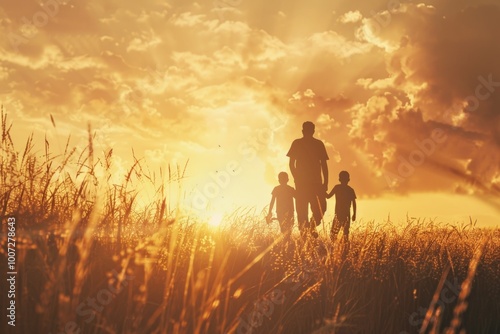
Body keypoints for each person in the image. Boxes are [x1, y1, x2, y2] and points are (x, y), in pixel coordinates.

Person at [287, 121, 329, 238]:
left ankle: (310, 227)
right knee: (302, 211)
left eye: (310, 130)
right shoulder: (297, 143)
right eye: (307, 130)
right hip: (302, 184)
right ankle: (304, 238)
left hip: (316, 183)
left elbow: (324, 165)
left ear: (313, 131)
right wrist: (296, 178)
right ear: (303, 131)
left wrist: (325, 183)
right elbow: (291, 164)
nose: (309, 132)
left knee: (321, 208)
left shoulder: (319, 144)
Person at [326, 170, 357, 255]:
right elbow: (354, 203)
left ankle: (334, 249)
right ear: (349, 179)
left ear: (339, 179)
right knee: (345, 233)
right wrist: (354, 214)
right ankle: (344, 250)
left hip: (339, 214)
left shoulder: (337, 187)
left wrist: (321, 191)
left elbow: (328, 196)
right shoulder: (350, 189)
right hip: (346, 214)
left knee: (334, 233)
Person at [267, 172, 295, 237]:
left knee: (283, 230)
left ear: (279, 180)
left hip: (281, 212)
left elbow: (272, 201)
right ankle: (287, 243)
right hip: (289, 212)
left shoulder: (276, 189)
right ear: (287, 180)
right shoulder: (290, 189)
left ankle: (286, 243)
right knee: (288, 231)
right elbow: (299, 198)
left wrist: (269, 212)